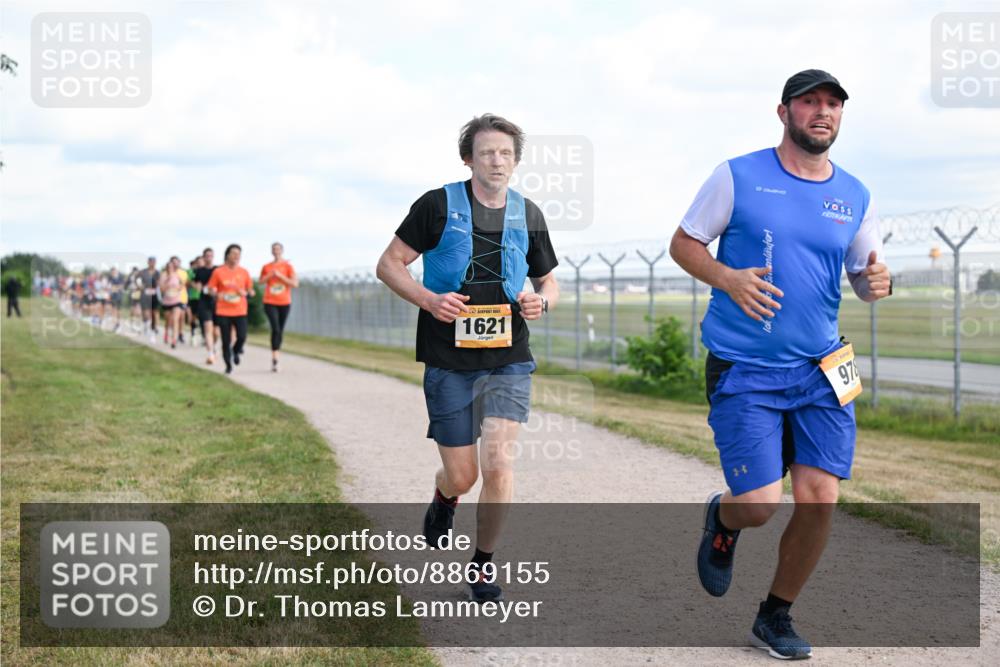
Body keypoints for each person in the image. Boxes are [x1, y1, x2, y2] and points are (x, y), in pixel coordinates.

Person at [669, 70, 892, 660]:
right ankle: (725, 518)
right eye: (811, 102)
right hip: (746, 367)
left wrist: (876, 283)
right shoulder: (738, 175)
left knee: (821, 497)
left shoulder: (855, 194)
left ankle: (775, 616)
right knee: (762, 503)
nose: (823, 112)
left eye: (833, 105)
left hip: (822, 369)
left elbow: (862, 278)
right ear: (784, 111)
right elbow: (685, 242)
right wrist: (726, 276)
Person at [376, 114, 559, 603]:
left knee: (499, 463)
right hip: (447, 357)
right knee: (464, 474)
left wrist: (544, 301)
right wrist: (429, 300)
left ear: (515, 161)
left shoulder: (529, 213)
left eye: (504, 153)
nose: (496, 161)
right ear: (468, 159)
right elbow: (389, 264)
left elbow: (548, 281)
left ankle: (482, 565)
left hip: (509, 357)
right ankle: (445, 494)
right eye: (486, 153)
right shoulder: (436, 205)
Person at [206, 243, 254, 374]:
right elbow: (210, 289)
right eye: (234, 253)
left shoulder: (244, 272)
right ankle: (228, 365)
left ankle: (236, 351)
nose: (236, 256)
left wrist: (247, 293)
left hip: (240, 310)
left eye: (239, 254)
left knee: (242, 336)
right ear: (227, 255)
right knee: (226, 339)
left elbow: (251, 290)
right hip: (223, 310)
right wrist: (216, 293)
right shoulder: (218, 271)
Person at [259, 242, 299, 372]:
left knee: (280, 330)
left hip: (284, 302)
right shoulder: (266, 267)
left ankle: (277, 353)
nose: (276, 251)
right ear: (271, 251)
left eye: (278, 249)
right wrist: (270, 275)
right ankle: (275, 358)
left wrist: (280, 276)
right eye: (274, 249)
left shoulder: (288, 267)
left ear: (282, 251)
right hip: (270, 301)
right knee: (275, 328)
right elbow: (260, 282)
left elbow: (295, 283)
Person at [192, 248, 218, 364]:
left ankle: (214, 346)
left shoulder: (217, 270)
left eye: (210, 255)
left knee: (216, 332)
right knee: (208, 328)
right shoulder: (200, 271)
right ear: (203, 257)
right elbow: (195, 283)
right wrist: (198, 286)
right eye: (206, 256)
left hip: (216, 302)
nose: (208, 258)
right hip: (204, 302)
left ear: (213, 257)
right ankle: (210, 354)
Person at [158, 256, 186, 348]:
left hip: (176, 300)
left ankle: (174, 340)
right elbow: (161, 289)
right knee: (168, 321)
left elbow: (183, 284)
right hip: (167, 301)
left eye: (172, 266)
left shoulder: (177, 275)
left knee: (175, 320)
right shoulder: (163, 275)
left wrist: (179, 289)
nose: (170, 268)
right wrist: (167, 280)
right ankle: (166, 333)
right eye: (169, 266)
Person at [138, 256, 160, 341]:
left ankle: (154, 328)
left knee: (154, 312)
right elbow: (137, 280)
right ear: (148, 262)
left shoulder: (157, 272)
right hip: (145, 294)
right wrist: (140, 287)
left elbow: (159, 282)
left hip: (154, 294)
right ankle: (146, 324)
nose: (152, 263)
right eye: (151, 262)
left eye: (154, 262)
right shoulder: (143, 272)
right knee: (146, 312)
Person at [187, 256, 204, 345]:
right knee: (194, 317)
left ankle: (203, 336)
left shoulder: (207, 272)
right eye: (198, 262)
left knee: (203, 317)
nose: (200, 263)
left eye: (202, 261)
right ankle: (193, 333)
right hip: (194, 297)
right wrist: (195, 285)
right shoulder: (192, 272)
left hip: (204, 298)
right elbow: (188, 282)